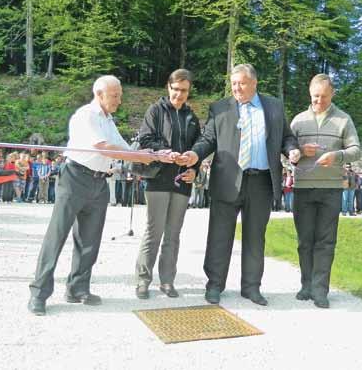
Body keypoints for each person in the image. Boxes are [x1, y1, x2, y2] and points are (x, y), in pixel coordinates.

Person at [28, 75, 171, 316]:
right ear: (99, 94)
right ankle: (39, 293)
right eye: (115, 96)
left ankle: (78, 288)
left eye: (120, 95)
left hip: (99, 182)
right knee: (57, 235)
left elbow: (124, 148)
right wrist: (138, 157)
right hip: (75, 178)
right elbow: (103, 147)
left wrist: (154, 154)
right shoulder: (86, 116)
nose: (119, 100)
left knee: (89, 240)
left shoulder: (108, 120)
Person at [179, 64, 300, 305]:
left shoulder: (274, 107)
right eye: (234, 83)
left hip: (261, 181)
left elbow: (286, 136)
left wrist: (292, 149)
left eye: (241, 83)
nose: (236, 88)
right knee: (219, 236)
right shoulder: (221, 108)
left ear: (254, 83)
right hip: (227, 180)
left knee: (256, 237)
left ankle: (252, 287)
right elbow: (208, 139)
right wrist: (195, 155)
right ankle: (214, 285)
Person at [290, 74, 362, 308]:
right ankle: (306, 285)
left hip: (331, 189)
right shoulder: (299, 121)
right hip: (302, 188)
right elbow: (287, 150)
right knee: (304, 241)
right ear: (309, 94)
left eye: (323, 96)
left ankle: (320, 290)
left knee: (326, 241)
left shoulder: (344, 119)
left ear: (332, 94)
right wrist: (299, 151)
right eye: (314, 96)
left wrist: (337, 156)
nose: (318, 101)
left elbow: (356, 150)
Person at [135, 68, 201, 299]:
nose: (179, 94)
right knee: (154, 231)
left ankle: (167, 281)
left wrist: (194, 170)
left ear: (189, 91)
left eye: (184, 90)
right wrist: (166, 152)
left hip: (182, 182)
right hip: (159, 178)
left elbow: (198, 150)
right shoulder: (155, 110)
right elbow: (145, 139)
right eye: (175, 89)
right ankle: (143, 280)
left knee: (173, 234)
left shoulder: (192, 117)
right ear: (168, 87)